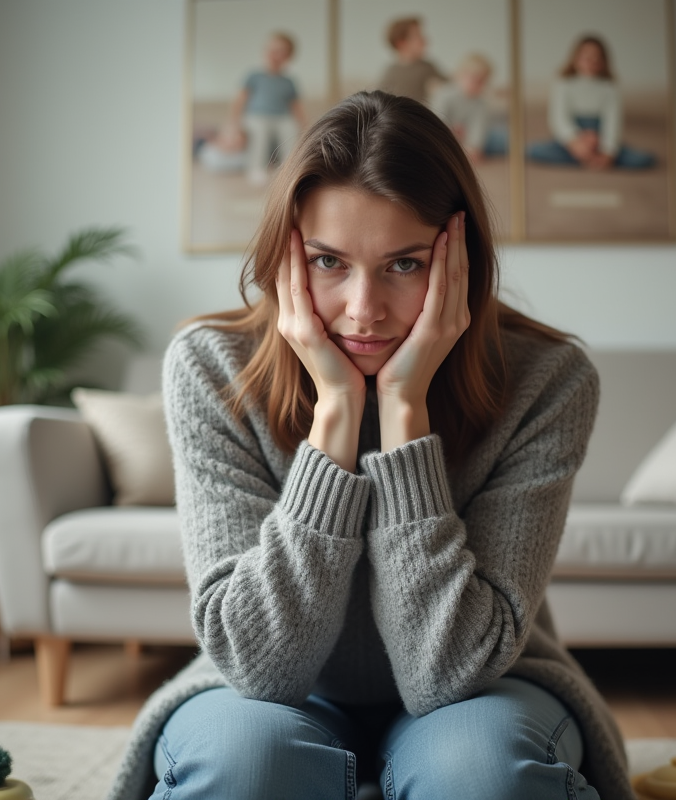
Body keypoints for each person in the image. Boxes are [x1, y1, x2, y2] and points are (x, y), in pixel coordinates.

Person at [105, 91, 634, 800]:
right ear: (286, 256)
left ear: (460, 260)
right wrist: (337, 415)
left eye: (404, 265)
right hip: (270, 696)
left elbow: (448, 673)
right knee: (246, 767)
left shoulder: (548, 380)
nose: (364, 310)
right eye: (328, 261)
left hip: (483, 688)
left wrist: (405, 410)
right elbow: (261, 670)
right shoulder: (210, 366)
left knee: (482, 776)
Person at [526, 35, 655, 170]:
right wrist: (575, 142)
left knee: (641, 159)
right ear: (575, 58)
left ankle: (594, 160)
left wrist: (608, 151)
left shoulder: (609, 88)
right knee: (535, 151)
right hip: (571, 140)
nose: (592, 61)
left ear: (604, 61)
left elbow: (613, 122)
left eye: (597, 57)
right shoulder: (564, 84)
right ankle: (589, 159)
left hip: (600, 138)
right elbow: (559, 119)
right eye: (586, 56)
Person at [228, 31, 308, 185]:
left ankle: (288, 170)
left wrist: (305, 127)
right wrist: (234, 124)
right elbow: (239, 101)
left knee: (290, 129)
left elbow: (296, 107)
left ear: (288, 56)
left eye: (281, 51)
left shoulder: (289, 82)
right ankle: (256, 168)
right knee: (259, 130)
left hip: (282, 117)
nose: (275, 54)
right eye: (272, 49)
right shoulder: (254, 76)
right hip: (256, 116)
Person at [430, 52, 508, 163]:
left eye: (482, 81)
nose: (478, 84)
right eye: (474, 79)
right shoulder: (444, 94)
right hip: (445, 137)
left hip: (471, 139)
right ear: (460, 75)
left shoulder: (480, 103)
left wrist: (473, 148)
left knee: (503, 138)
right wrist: (451, 130)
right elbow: (436, 120)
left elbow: (478, 128)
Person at [378, 17, 446, 104]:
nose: (424, 40)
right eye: (418, 36)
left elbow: (449, 86)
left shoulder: (427, 67)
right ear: (401, 43)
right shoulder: (391, 72)